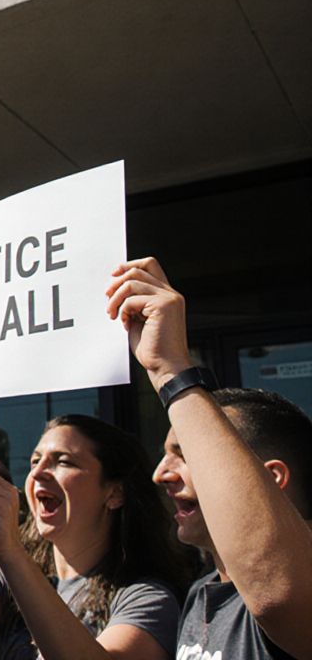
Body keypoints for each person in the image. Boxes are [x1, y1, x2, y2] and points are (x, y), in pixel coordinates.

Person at [109, 257, 312, 659]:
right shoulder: (202, 593)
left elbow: (277, 592)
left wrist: (172, 372)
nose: (159, 475)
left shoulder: (296, 586)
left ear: (270, 478)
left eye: (186, 455)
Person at [0, 384, 189, 660]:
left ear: (114, 493)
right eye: (34, 460)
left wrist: (10, 551)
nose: (38, 472)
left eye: (63, 462)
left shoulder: (147, 598)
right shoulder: (5, 578)